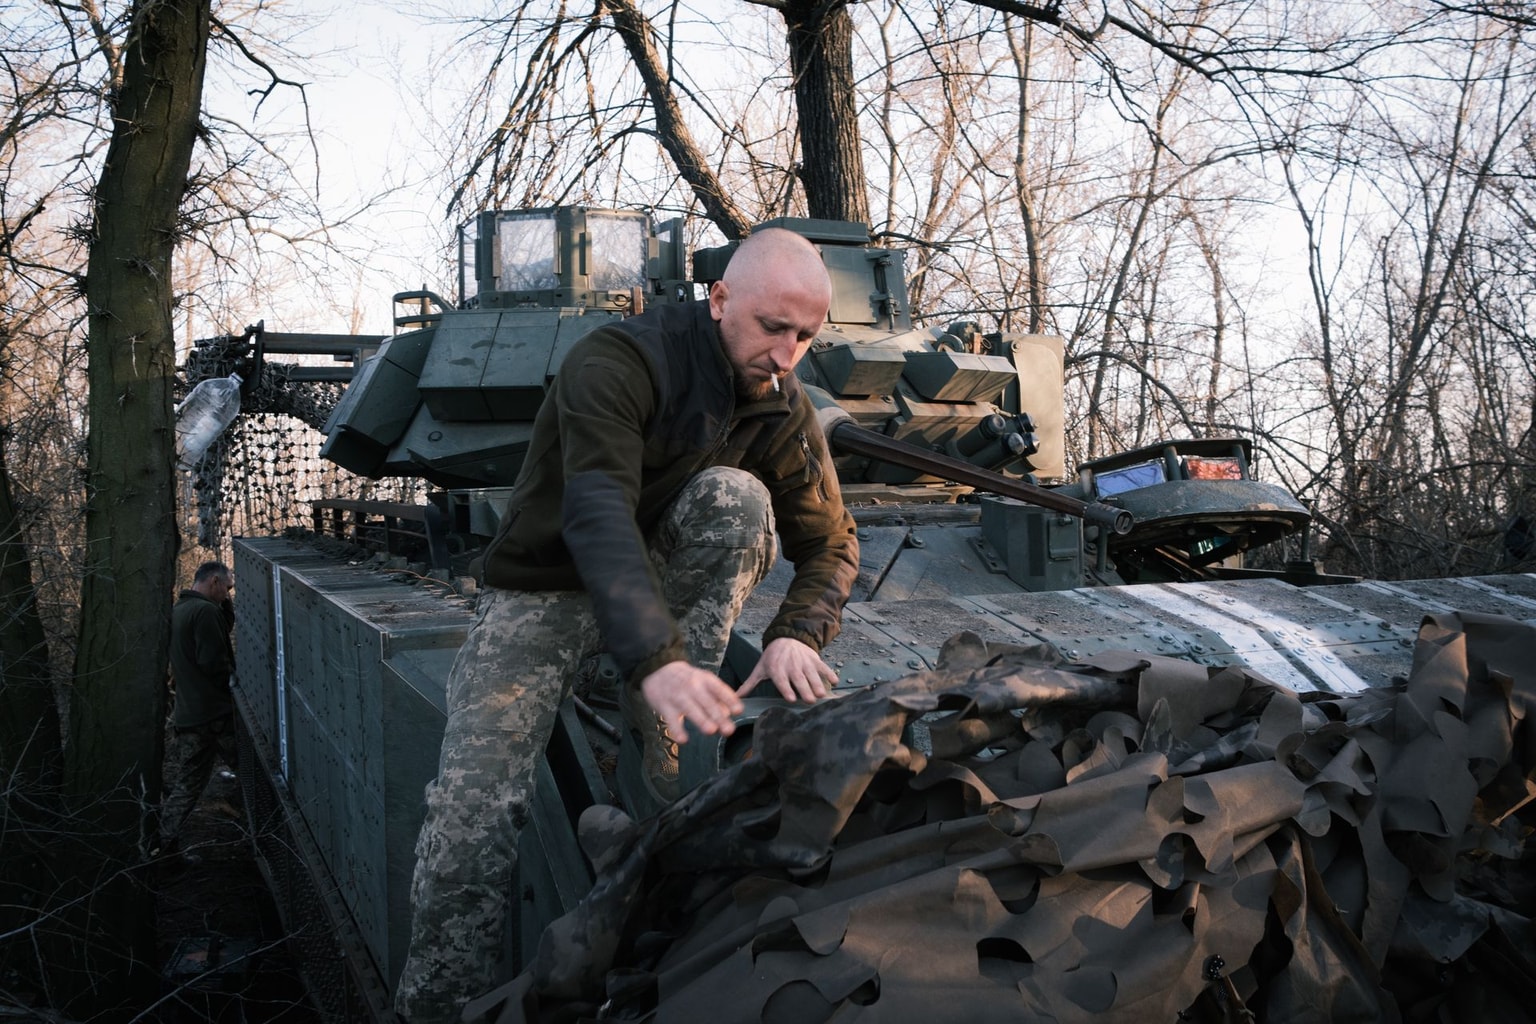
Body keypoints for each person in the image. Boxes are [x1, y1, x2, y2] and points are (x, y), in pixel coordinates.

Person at [394, 228, 861, 1023]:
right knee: (473, 817)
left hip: (667, 603)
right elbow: (597, 512)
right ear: (718, 300)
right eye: (772, 328)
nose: (787, 355)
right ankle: (436, 1009)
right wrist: (656, 657)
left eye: (805, 338)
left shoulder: (780, 403)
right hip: (544, 592)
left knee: (737, 501)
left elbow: (834, 541)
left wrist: (796, 633)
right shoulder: (620, 361)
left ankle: (660, 758)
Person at [159, 560, 239, 863]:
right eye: (227, 588)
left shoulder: (181, 611)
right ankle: (264, 831)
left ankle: (161, 846)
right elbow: (212, 659)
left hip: (190, 714)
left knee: (188, 785)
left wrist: (226, 606)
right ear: (214, 581)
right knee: (254, 769)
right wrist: (232, 680)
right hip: (214, 714)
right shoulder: (205, 612)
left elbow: (216, 633)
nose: (228, 594)